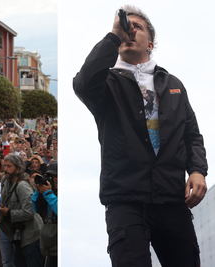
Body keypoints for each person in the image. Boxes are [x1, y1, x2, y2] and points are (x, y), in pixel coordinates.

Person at [73, 5, 208, 267]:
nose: (130, 30)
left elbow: (191, 135)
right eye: (126, 26)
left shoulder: (174, 85)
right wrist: (113, 36)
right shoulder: (107, 82)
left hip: (172, 199)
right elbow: (83, 84)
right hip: (125, 200)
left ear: (151, 44)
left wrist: (198, 170)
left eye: (138, 27)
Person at [0, 154, 43, 267]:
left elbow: (29, 212)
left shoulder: (22, 186)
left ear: (18, 169)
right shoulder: (6, 181)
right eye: (5, 166)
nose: (6, 169)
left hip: (30, 236)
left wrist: (8, 213)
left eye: (9, 166)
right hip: (18, 234)